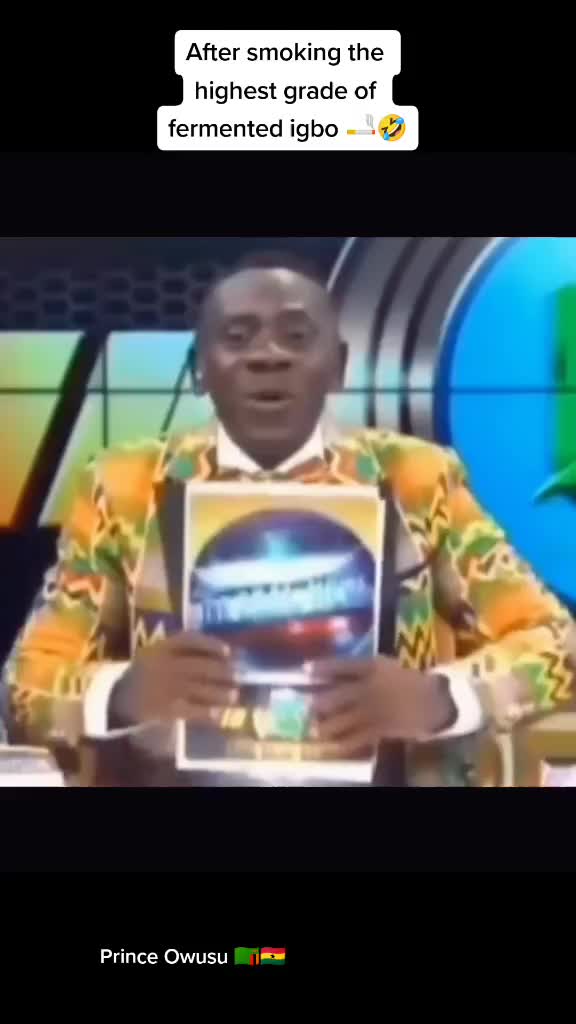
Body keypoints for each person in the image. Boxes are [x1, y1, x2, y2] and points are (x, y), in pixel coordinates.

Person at [3, 251, 576, 786]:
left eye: (297, 336)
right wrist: (121, 694)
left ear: (339, 367)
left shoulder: (419, 480)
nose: (268, 355)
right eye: (237, 336)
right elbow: (25, 686)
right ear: (199, 369)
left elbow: (556, 646)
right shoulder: (123, 487)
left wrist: (440, 699)